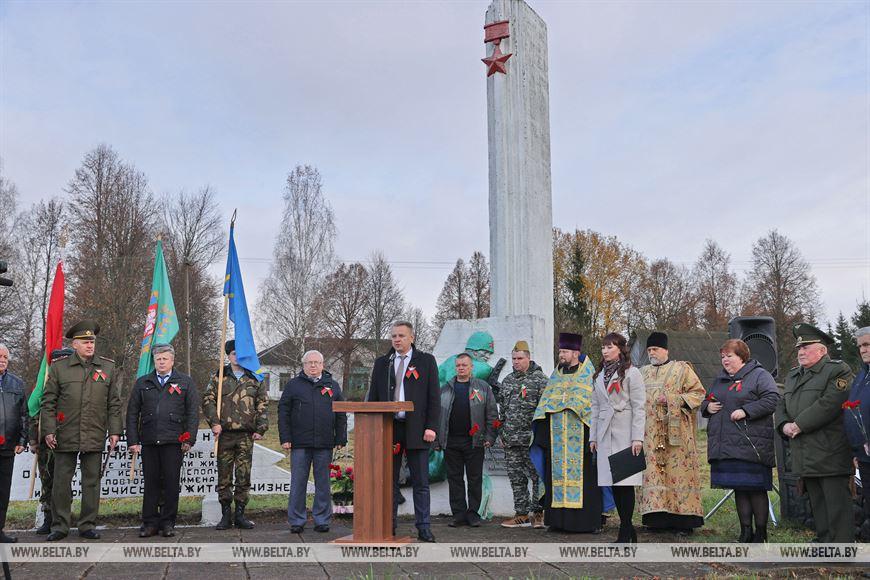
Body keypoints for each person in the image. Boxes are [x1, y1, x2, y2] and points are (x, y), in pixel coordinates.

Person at [41, 320, 122, 541]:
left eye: (92, 341)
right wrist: (48, 430)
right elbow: (48, 402)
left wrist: (115, 432)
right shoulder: (59, 368)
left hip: (94, 433)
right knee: (61, 483)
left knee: (92, 482)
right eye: (85, 342)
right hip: (64, 434)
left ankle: (87, 525)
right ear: (74, 344)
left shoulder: (107, 367)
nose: (90, 345)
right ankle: (60, 526)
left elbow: (114, 403)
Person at [777, 323, 854, 542]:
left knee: (837, 505)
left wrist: (798, 425)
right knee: (818, 505)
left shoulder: (838, 370)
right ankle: (826, 546)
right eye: (799, 348)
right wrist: (783, 425)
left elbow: (829, 404)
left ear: (822, 351)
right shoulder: (793, 375)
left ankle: (843, 552)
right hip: (804, 452)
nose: (801, 351)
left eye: (807, 347)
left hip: (830, 451)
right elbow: (782, 404)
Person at [367, 321, 440, 542]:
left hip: (417, 429)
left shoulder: (426, 361)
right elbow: (373, 398)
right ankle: (389, 526)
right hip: (390, 429)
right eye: (393, 336)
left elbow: (434, 398)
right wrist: (373, 427)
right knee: (388, 481)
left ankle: (424, 527)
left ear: (412, 338)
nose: (396, 340)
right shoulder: (383, 363)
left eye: (401, 336)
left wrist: (431, 427)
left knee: (420, 481)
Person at [702, 339, 779, 543]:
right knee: (740, 488)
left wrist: (746, 410)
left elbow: (772, 399)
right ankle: (745, 532)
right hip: (727, 445)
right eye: (723, 357)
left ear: (742, 357)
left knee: (755, 489)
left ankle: (761, 534)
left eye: (730, 356)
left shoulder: (760, 375)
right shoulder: (720, 379)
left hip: (752, 444)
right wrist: (706, 408)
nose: (725, 360)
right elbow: (707, 399)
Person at [530, 332, 602, 533]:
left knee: (586, 480)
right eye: (560, 351)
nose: (560, 354)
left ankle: (585, 523)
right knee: (556, 479)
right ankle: (558, 521)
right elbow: (545, 403)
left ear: (575, 353)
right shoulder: (556, 375)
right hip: (557, 439)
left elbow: (591, 404)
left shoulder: (588, 374)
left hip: (581, 440)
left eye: (564, 351)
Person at [126, 343, 199, 538]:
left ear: (172, 360)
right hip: (149, 441)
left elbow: (192, 413)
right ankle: (149, 523)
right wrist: (133, 440)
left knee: (171, 483)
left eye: (164, 358)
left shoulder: (185, 382)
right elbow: (132, 413)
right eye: (158, 359)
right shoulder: (143, 382)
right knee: (150, 484)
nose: (161, 362)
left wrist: (189, 439)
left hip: (174, 442)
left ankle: (168, 522)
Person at [638, 331, 706, 533]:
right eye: (649, 349)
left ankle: (683, 521)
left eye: (655, 349)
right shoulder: (641, 372)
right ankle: (656, 519)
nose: (652, 353)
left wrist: (672, 400)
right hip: (649, 433)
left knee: (678, 473)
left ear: (665, 350)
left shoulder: (682, 369)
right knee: (653, 474)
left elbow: (698, 393)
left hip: (676, 434)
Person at [202, 339, 269, 530]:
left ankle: (240, 514)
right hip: (224, 434)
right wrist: (214, 422)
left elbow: (262, 403)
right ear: (228, 355)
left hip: (246, 435)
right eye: (233, 353)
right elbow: (208, 400)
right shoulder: (219, 376)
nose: (237, 357)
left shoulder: (255, 378)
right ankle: (225, 515)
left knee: (243, 476)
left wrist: (260, 428)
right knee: (223, 476)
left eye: (240, 353)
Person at [278, 350, 347, 534]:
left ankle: (322, 520)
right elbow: (283, 413)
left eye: (317, 362)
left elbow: (341, 414)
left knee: (323, 483)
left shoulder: (332, 385)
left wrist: (340, 437)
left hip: (324, 443)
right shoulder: (293, 385)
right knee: (298, 482)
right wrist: (285, 438)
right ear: (304, 365)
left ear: (323, 365)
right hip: (299, 444)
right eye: (309, 363)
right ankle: (297, 520)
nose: (313, 366)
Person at [590, 332, 645, 543]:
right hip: (605, 434)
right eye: (603, 347)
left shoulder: (632, 373)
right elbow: (595, 407)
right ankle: (629, 529)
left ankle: (625, 529)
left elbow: (639, 407)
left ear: (621, 349)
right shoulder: (598, 375)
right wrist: (593, 437)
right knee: (612, 484)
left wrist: (637, 438)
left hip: (625, 433)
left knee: (625, 483)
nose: (605, 351)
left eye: (610, 347)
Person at [436, 353, 497, 527]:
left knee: (474, 478)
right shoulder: (445, 389)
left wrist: (490, 436)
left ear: (471, 367)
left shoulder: (483, 387)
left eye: (464, 365)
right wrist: (437, 441)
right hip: (451, 442)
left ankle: (473, 514)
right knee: (454, 479)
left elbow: (492, 413)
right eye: (458, 365)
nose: (461, 368)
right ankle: (458, 515)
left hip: (474, 442)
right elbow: (436, 415)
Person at [498, 340, 548, 529]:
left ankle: (538, 513)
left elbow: (545, 411)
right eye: (514, 359)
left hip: (531, 440)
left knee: (536, 476)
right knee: (516, 477)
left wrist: (541, 438)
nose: (516, 362)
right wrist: (502, 432)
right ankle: (521, 515)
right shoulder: (508, 380)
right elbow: (502, 409)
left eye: (520, 358)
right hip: (511, 439)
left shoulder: (540, 379)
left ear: (529, 358)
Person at [30, 347, 72, 535]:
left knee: (63, 483)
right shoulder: (46, 385)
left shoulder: (73, 384)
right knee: (47, 481)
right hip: (46, 443)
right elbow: (35, 413)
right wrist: (33, 439)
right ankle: (48, 517)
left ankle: (62, 518)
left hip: (67, 440)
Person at [0, 344, 28, 543]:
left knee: (3, 491)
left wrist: (22, 439)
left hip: (8, 446)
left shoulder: (17, 384)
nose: (2, 359)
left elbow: (24, 415)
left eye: (5, 357)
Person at [845, 326, 870, 539]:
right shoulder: (861, 376)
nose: (863, 350)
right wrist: (855, 450)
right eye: (860, 346)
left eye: (867, 344)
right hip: (863, 456)